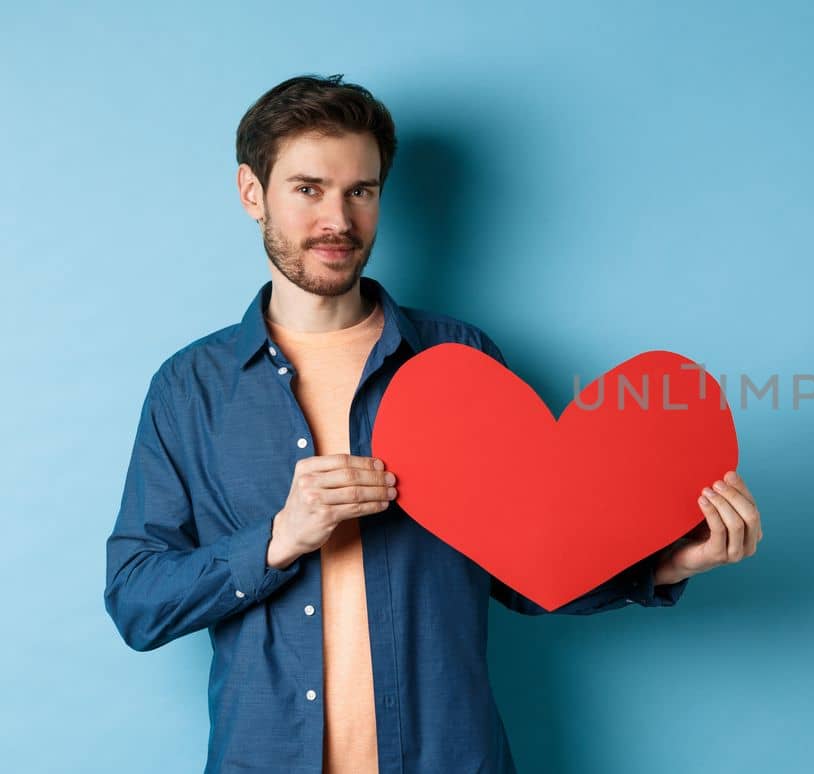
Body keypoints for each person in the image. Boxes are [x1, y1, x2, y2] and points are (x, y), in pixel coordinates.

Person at [102, 73, 763, 774]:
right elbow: (137, 601)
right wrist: (279, 538)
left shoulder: (462, 361)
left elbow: (527, 568)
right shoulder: (189, 389)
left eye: (361, 190)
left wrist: (665, 564)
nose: (338, 219)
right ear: (252, 193)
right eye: (308, 188)